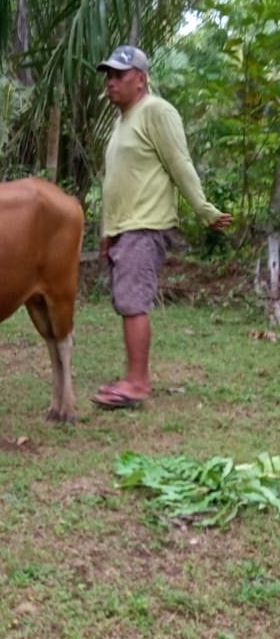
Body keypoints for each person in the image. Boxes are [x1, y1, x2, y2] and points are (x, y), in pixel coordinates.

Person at [92, 45, 232, 409]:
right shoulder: (123, 120)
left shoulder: (156, 111)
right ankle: (133, 377)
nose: (111, 83)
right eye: (108, 76)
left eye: (118, 75)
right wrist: (108, 232)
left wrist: (204, 210)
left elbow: (179, 163)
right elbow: (117, 182)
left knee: (133, 302)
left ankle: (137, 384)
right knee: (127, 302)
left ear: (141, 78)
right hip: (125, 227)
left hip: (146, 224)